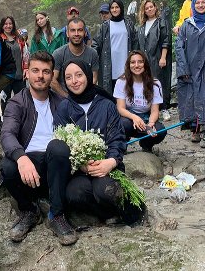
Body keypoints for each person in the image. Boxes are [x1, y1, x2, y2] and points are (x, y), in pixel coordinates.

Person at [0, 51, 77, 246]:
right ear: (26, 73)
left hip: (56, 164)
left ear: (52, 75)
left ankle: (56, 215)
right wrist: (21, 158)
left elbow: (76, 133)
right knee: (7, 165)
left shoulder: (62, 103)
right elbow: (6, 135)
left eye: (45, 71)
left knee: (57, 147)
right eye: (35, 70)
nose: (40, 76)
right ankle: (29, 211)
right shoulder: (16, 103)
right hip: (29, 166)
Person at [55, 60, 144, 225]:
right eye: (68, 77)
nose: (74, 81)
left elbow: (117, 139)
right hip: (80, 170)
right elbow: (61, 141)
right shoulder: (64, 108)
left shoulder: (106, 105)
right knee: (75, 194)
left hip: (108, 165)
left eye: (79, 75)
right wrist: (80, 164)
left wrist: (110, 162)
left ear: (88, 76)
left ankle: (128, 212)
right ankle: (105, 214)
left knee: (105, 190)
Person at [175, 0, 205, 148]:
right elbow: (179, 47)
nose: (201, 5)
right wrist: (183, 67)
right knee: (191, 96)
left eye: (204, 2)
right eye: (198, 3)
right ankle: (194, 127)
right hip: (190, 67)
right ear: (193, 5)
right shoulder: (186, 25)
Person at [114, 51, 167, 152]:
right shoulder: (121, 82)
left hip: (147, 118)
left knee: (160, 131)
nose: (136, 65)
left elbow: (155, 111)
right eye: (133, 62)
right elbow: (120, 108)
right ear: (128, 65)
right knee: (122, 124)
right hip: (128, 118)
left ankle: (146, 145)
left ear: (145, 64)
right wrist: (134, 117)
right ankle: (122, 144)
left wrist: (150, 124)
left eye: (140, 62)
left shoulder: (155, 83)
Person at [136, 0, 171, 120]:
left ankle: (165, 108)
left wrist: (163, 57)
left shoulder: (161, 22)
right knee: (147, 82)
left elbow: (166, 40)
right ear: (144, 11)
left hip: (157, 57)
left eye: (151, 7)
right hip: (145, 59)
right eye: (147, 8)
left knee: (160, 82)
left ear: (155, 8)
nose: (149, 9)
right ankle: (150, 109)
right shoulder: (141, 26)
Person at [95, 0, 139, 92]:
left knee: (127, 93)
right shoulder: (105, 26)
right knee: (110, 94)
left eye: (117, 7)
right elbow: (96, 44)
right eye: (112, 8)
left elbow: (135, 42)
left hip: (125, 63)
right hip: (109, 65)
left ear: (121, 8)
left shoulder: (128, 24)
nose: (114, 10)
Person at [51, 17, 99, 97]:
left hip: (86, 96)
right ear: (67, 33)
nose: (76, 34)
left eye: (80, 30)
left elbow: (94, 79)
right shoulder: (58, 54)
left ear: (85, 33)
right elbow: (52, 80)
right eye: (73, 30)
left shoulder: (92, 53)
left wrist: (84, 96)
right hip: (63, 98)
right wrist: (67, 97)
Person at [0, 16, 28, 107]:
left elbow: (25, 54)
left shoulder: (19, 38)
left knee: (22, 100)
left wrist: (26, 69)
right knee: (5, 100)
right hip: (4, 77)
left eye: (10, 24)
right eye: (6, 24)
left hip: (19, 75)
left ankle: (22, 119)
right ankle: (5, 119)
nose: (8, 26)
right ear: (2, 26)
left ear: (13, 25)